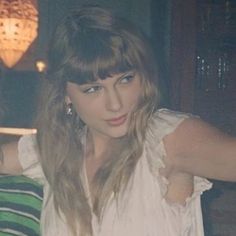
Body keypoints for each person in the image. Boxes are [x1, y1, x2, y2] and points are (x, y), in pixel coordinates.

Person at [1, 5, 236, 236]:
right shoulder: (56, 150)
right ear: (65, 94)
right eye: (93, 89)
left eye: (125, 79)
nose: (115, 104)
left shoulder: (165, 139)